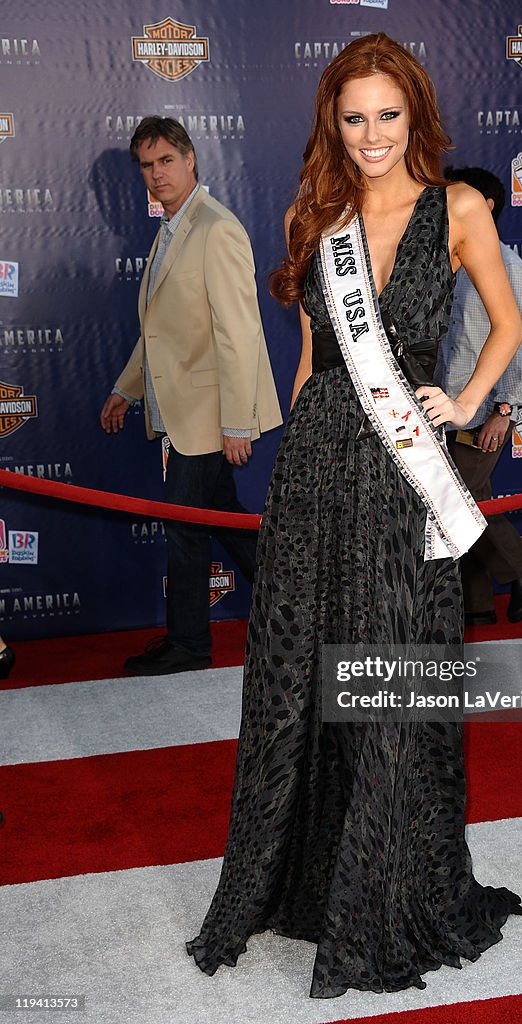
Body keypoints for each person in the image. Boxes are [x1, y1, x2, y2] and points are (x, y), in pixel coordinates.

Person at [186, 34, 522, 998]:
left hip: (403, 474)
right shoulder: (312, 213)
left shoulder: (457, 208)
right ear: (331, 123)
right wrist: (293, 454)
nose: (373, 134)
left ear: (413, 115)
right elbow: (308, 360)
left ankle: (392, 885)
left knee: (392, 668)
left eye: (389, 115)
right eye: (354, 117)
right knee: (300, 675)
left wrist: (463, 399)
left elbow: (505, 323)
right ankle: (304, 875)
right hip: (320, 470)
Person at [100, 117, 282, 676]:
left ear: (191, 159)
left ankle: (189, 644)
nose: (156, 175)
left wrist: (236, 423)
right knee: (224, 518)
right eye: (147, 166)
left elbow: (238, 331)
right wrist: (124, 390)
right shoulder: (174, 227)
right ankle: (299, 610)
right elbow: (161, 331)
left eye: (165, 162)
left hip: (209, 416)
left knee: (185, 527)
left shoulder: (215, 228)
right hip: (190, 414)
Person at [436, 166, 522, 625]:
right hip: (448, 408)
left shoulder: (505, 264)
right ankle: (476, 604)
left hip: (485, 411)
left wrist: (505, 409)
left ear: (483, 206)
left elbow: (518, 340)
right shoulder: (452, 260)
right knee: (467, 497)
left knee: (460, 502)